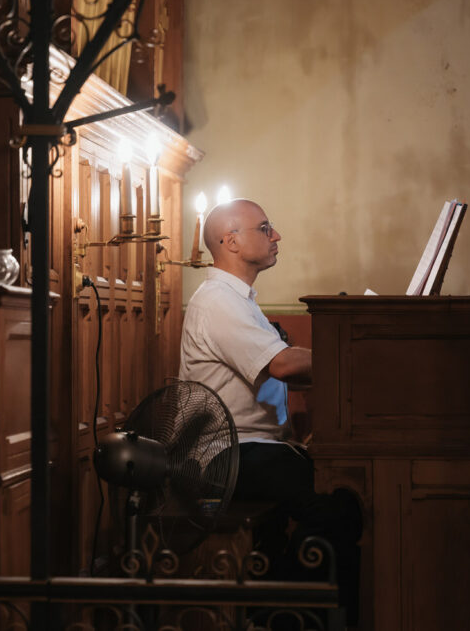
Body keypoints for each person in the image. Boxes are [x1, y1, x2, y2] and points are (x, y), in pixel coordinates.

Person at [179, 198, 361, 624]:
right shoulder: (217, 301)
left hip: (252, 448)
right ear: (231, 241)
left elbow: (282, 371)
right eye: (264, 228)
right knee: (338, 504)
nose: (276, 235)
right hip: (227, 454)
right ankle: (290, 614)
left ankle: (286, 607)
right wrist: (350, 357)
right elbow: (281, 364)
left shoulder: (238, 300)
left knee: (339, 493)